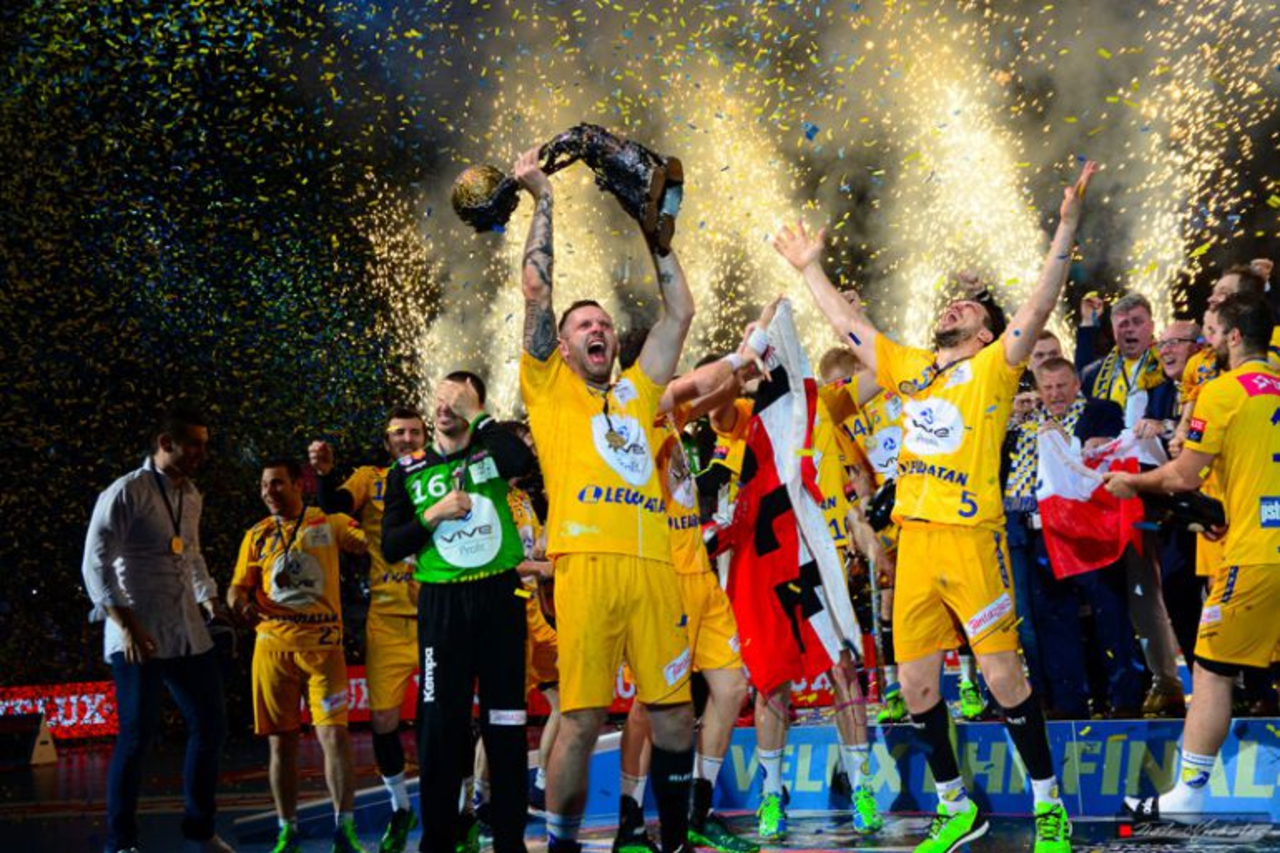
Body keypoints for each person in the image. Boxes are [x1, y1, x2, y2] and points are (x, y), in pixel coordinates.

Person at [774, 159, 1098, 853]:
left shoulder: (994, 368)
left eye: (969, 308)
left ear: (987, 333)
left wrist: (1067, 229)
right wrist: (809, 269)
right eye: (952, 305)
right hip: (914, 545)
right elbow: (848, 325)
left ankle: (1049, 806)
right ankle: (957, 807)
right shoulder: (913, 367)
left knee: (1004, 677)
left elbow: (1039, 305)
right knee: (918, 687)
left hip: (970, 540)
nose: (955, 307)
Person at [513, 146, 696, 853]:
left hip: (654, 570)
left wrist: (658, 240)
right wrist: (543, 199)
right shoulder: (549, 390)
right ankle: (562, 844)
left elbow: (679, 313)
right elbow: (536, 291)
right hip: (586, 568)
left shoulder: (637, 392)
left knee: (673, 716)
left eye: (604, 324)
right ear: (561, 348)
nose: (597, 329)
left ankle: (672, 840)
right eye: (583, 326)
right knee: (583, 719)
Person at [1104, 292, 1280, 821]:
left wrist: (1133, 483)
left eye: (1211, 330)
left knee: (1211, 672)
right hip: (1262, 541)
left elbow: (1183, 475)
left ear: (1233, 336)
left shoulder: (1223, 391)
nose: (1206, 341)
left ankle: (1189, 793)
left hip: (1256, 554)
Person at [381, 372, 536, 853]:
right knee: (438, 730)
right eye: (441, 397)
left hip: (499, 600)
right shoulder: (407, 469)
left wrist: (480, 417)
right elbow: (391, 546)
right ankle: (438, 840)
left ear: (476, 407)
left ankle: (509, 841)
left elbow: (524, 463)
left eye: (458, 399)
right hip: (442, 606)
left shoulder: (493, 451)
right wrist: (435, 514)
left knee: (506, 725)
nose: (446, 405)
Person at [81, 405, 235, 853]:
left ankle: (200, 831)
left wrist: (209, 598)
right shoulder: (126, 491)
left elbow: (192, 554)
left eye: (205, 445)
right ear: (166, 443)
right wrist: (127, 626)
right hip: (137, 630)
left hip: (185, 629)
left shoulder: (192, 494)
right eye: (194, 445)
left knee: (211, 726)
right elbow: (95, 563)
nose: (202, 453)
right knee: (137, 737)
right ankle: (120, 842)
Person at [227, 459, 369, 853]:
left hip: (324, 650)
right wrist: (239, 604)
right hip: (272, 650)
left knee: (334, 737)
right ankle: (286, 830)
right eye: (263, 485)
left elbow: (368, 541)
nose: (268, 492)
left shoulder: (329, 521)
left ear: (298, 485)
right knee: (281, 745)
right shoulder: (256, 534)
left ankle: (345, 829)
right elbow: (237, 588)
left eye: (276, 483)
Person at [309, 409, 428, 853]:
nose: (406, 438)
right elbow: (334, 505)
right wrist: (324, 474)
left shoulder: (441, 473)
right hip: (387, 621)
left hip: (436, 616)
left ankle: (459, 812)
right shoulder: (370, 478)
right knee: (383, 722)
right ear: (387, 441)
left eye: (414, 432)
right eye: (399, 433)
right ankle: (401, 807)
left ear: (425, 437)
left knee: (447, 720)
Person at [1077, 291, 1184, 716]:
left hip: (1162, 487)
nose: (1129, 330)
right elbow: (1082, 415)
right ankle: (1149, 681)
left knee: (1165, 587)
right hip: (1111, 491)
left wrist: (1164, 425)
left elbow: (1189, 415)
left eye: (1137, 322)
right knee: (1128, 591)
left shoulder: (1170, 365)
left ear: (1152, 325)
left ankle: (1182, 678)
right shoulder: (1096, 373)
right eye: (1122, 324)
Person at [1004, 357, 1129, 718]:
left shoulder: (1101, 411)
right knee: (1054, 622)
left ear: (1076, 384)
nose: (1055, 394)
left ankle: (1123, 699)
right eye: (1047, 388)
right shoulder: (1028, 423)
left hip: (1089, 531)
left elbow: (1110, 449)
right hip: (1040, 533)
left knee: (1109, 616)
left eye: (1062, 386)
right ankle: (1069, 703)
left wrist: (1086, 443)